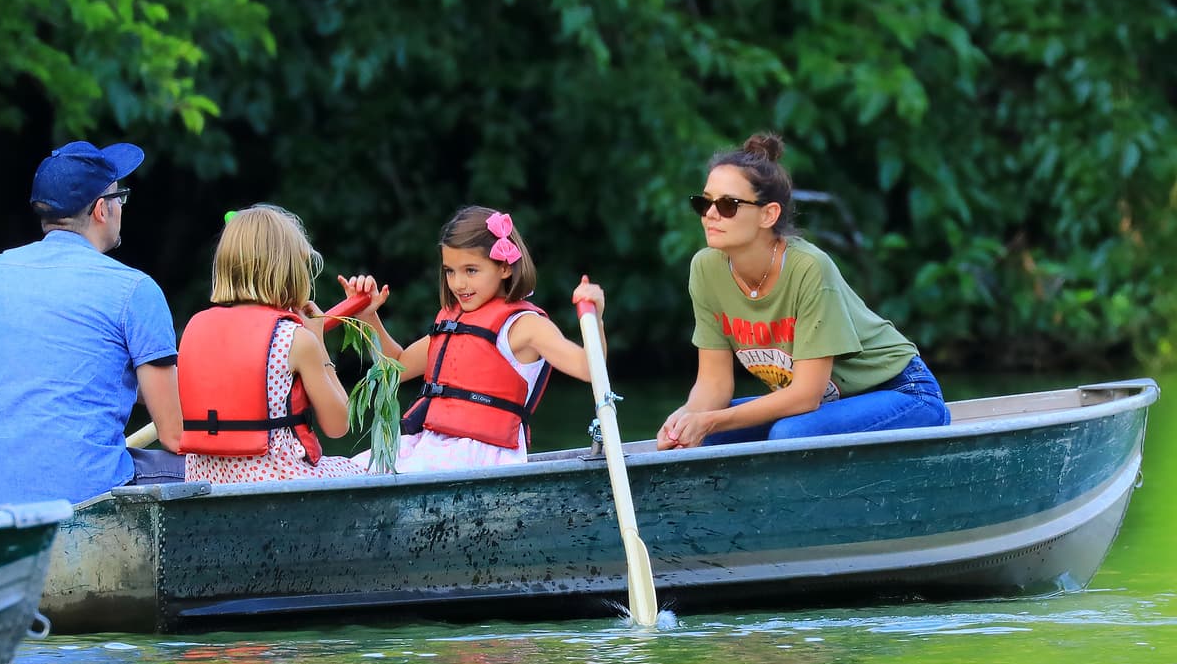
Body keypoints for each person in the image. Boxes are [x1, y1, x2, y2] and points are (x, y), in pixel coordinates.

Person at [658, 132, 949, 450]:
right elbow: (713, 384)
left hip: (903, 393)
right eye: (704, 202)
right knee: (701, 437)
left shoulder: (809, 267)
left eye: (728, 205)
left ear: (768, 214)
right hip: (827, 410)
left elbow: (806, 396)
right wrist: (685, 419)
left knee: (790, 435)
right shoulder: (706, 269)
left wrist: (710, 419)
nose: (710, 214)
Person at [0, 141, 184, 508]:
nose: (120, 208)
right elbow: (175, 436)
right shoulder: (135, 290)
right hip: (86, 492)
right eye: (120, 198)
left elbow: (69, 373)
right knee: (215, 470)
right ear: (102, 209)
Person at [345, 205, 606, 473]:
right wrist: (368, 316)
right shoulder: (454, 322)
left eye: (471, 270)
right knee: (352, 469)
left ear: (504, 267)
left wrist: (594, 318)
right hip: (431, 446)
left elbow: (589, 368)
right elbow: (396, 365)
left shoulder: (525, 326)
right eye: (450, 271)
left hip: (482, 457)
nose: (458, 283)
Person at [180, 204, 366, 483]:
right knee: (367, 470)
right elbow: (338, 424)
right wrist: (318, 342)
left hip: (206, 479)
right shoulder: (296, 339)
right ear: (289, 271)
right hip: (276, 481)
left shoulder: (196, 327)